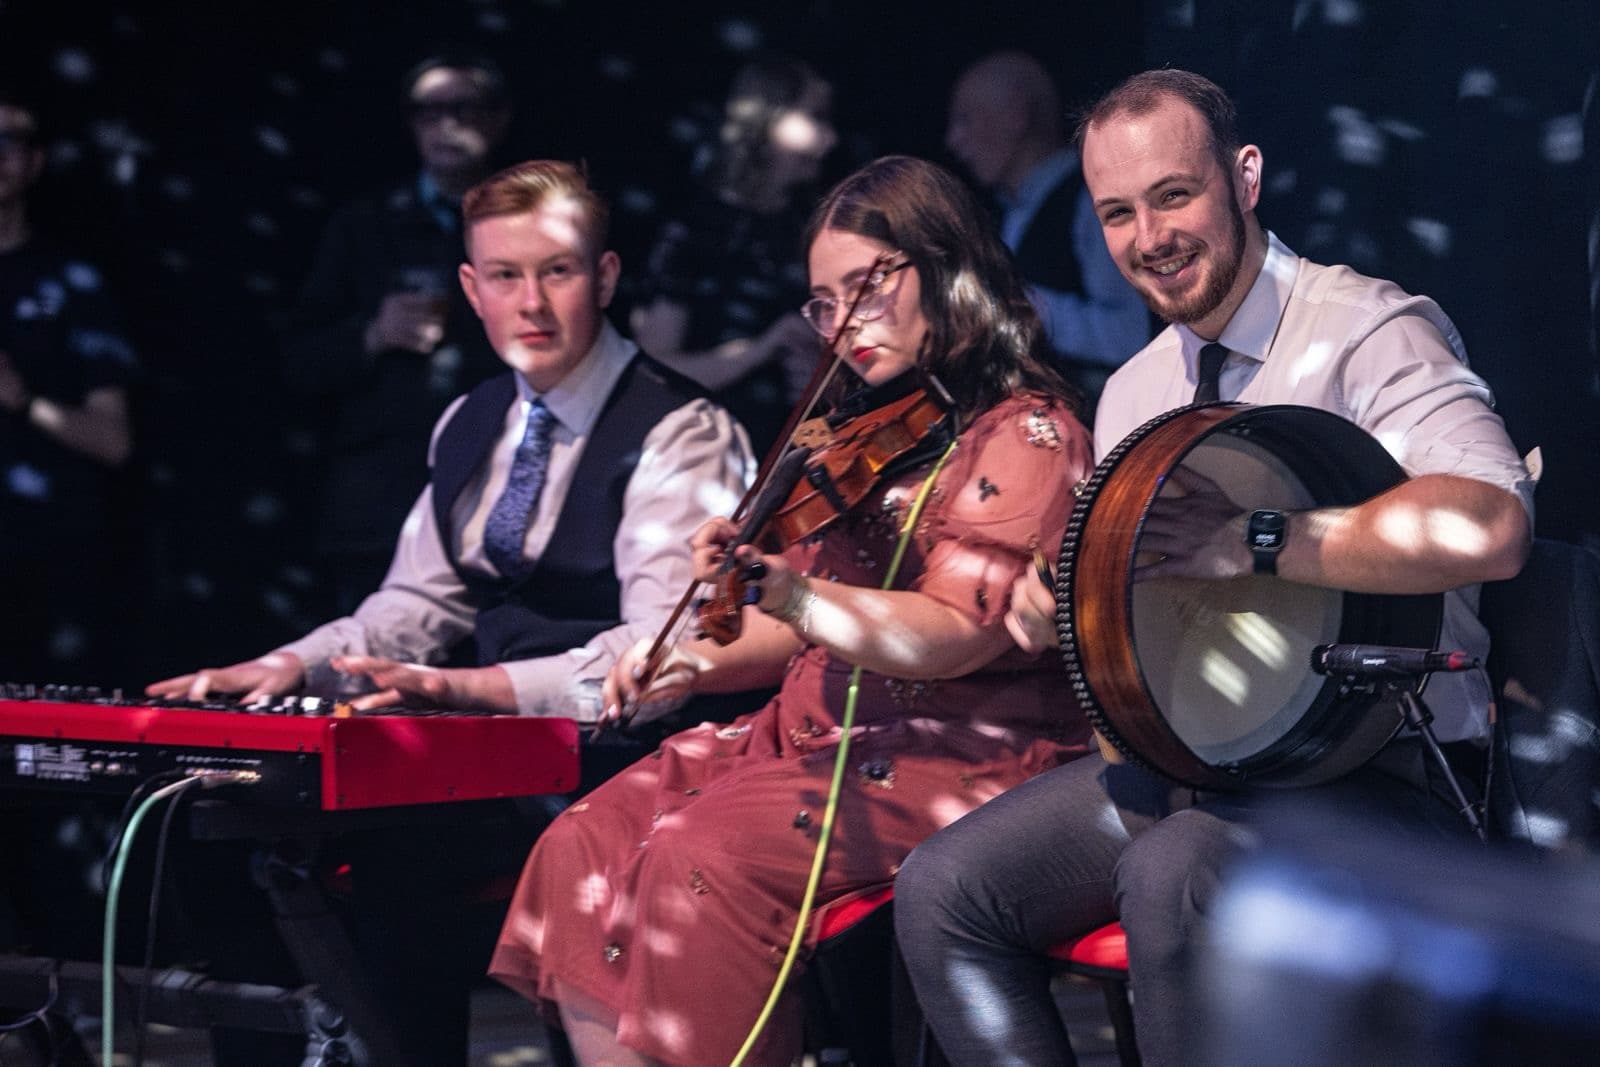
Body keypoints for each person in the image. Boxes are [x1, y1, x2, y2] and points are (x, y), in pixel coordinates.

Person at [894, 69, 1535, 1066]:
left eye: (1171, 196)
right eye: (1115, 213)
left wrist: (1258, 540)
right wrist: (1063, 604)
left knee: (1171, 870)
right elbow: (1141, 617)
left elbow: (1490, 525)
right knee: (943, 889)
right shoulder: (1139, 388)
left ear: (1243, 177)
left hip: (1382, 770)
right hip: (1201, 764)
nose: (1147, 237)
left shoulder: (1369, 329)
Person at [487, 155, 1097, 1066]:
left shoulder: (1024, 430)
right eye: (823, 300)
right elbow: (791, 628)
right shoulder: (864, 431)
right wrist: (692, 659)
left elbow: (956, 632)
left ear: (943, 269)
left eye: (868, 285)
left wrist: (795, 591)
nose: (844, 321)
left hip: (959, 748)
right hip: (814, 734)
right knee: (581, 845)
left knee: (705, 856)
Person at [147, 160, 752, 1066]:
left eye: (559, 271)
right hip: (503, 748)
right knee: (221, 837)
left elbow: (661, 657)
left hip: (621, 755)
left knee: (396, 862)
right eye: (506, 276)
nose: (532, 303)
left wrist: (473, 689)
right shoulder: (472, 420)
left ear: (609, 277)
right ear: (471, 289)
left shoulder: (680, 428)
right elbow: (418, 600)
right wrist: (294, 665)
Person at [279, 51, 517, 613]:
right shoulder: (364, 225)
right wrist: (372, 335)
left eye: (463, 109)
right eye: (427, 112)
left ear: (499, 118)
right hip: (381, 499)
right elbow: (296, 362)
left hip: (498, 491)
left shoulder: (530, 224)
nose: (445, 125)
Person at [628, 54, 836, 454]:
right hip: (697, 457)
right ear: (767, 119)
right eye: (815, 117)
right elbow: (653, 372)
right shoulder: (696, 230)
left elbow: (819, 408)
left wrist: (820, 377)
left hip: (788, 460)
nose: (830, 139)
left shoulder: (811, 229)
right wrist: (759, 351)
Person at [0, 91, 139, 682]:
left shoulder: (72, 282)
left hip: (39, 566)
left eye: (9, 142)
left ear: (35, 162)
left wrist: (23, 400)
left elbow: (114, 441)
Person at [946, 50, 1150, 407]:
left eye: (966, 120)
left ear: (1017, 116)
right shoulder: (1005, 210)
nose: (954, 139)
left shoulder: (1090, 199)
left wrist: (1015, 308)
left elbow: (1128, 335)